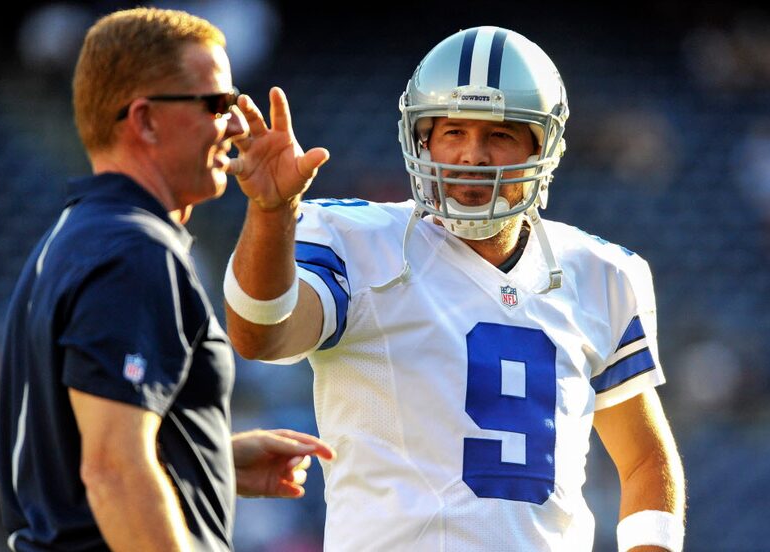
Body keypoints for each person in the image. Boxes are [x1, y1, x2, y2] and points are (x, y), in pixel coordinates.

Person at [224, 26, 686, 552]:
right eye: (453, 133)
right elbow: (260, 333)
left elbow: (645, 459)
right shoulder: (353, 242)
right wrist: (271, 213)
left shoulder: (601, 272)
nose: (473, 156)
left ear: (544, 146)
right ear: (421, 140)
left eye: (500, 135)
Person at [0, 7, 334, 552]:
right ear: (146, 120)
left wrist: (206, 459)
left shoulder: (75, 235)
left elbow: (80, 449)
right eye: (217, 104)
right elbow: (114, 472)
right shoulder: (135, 251)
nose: (237, 125)